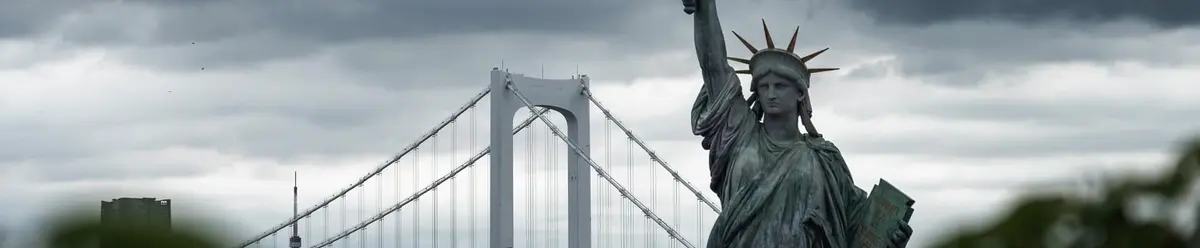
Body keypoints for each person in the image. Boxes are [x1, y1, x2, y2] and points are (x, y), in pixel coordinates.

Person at [683, 0, 912, 246]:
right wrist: (705, 7)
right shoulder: (740, 133)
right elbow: (713, 66)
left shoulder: (824, 159)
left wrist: (891, 237)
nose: (771, 94)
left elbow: (856, 227)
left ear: (800, 93)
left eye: (780, 86)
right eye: (764, 86)